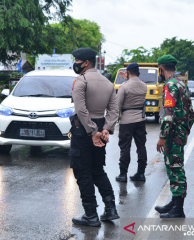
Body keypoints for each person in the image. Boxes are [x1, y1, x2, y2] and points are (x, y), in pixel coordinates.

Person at [69, 48, 119, 227]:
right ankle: (110, 209)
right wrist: (106, 129)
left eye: (77, 61)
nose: (75, 64)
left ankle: (90, 215)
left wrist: (92, 132)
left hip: (84, 130)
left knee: (83, 172)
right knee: (97, 170)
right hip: (99, 128)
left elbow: (81, 110)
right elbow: (114, 110)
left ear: (86, 63)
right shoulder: (107, 82)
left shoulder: (80, 81)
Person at [155, 55, 194, 218]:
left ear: (161, 68)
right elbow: (192, 114)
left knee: (175, 169)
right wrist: (184, 130)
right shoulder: (181, 84)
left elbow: (168, 114)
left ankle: (178, 210)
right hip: (178, 133)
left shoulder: (170, 85)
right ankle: (174, 202)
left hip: (172, 134)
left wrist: (163, 136)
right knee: (174, 168)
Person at [116, 63, 148, 182]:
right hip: (140, 120)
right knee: (141, 147)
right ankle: (141, 173)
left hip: (126, 121)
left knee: (125, 147)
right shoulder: (144, 86)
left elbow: (117, 105)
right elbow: (135, 83)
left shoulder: (124, 87)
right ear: (139, 73)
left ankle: (123, 174)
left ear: (128, 73)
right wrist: (128, 78)